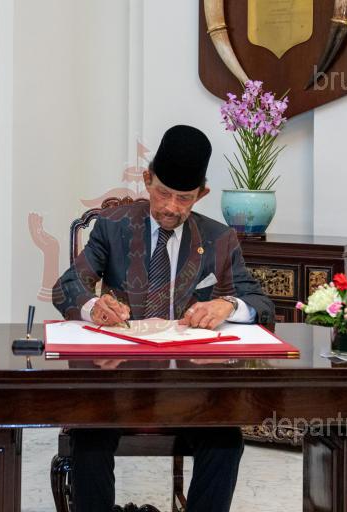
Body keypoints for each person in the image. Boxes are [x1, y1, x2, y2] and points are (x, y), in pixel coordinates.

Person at [53, 125, 274, 512]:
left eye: (183, 198)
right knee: (89, 437)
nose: (170, 207)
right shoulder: (113, 227)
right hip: (118, 383)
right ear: (147, 179)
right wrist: (93, 305)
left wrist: (228, 304)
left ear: (201, 194)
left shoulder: (219, 238)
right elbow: (67, 286)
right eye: (162, 192)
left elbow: (260, 302)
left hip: (190, 387)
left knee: (226, 441)